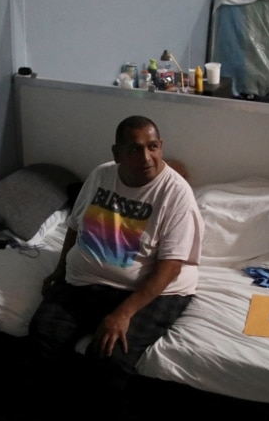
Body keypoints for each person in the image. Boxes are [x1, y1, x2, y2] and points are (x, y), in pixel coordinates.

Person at [29, 115, 203, 385]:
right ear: (117, 153)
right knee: (44, 334)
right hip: (86, 282)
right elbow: (75, 227)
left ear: (161, 146)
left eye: (153, 146)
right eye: (135, 148)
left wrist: (123, 314)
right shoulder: (101, 175)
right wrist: (61, 268)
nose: (146, 157)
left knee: (110, 358)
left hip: (150, 292)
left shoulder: (176, 193)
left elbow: (171, 267)